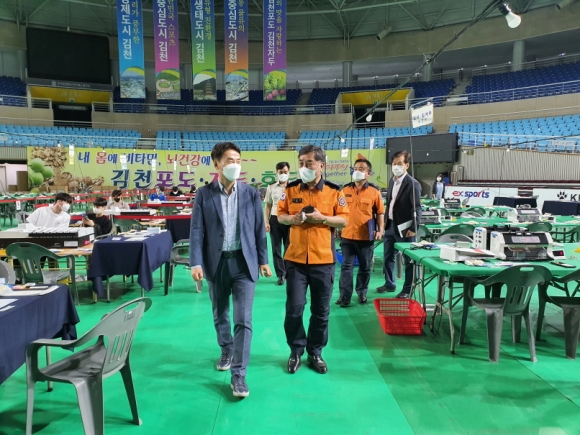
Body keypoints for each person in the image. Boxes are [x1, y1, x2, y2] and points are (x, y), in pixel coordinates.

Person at [190, 142, 272, 398]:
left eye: (237, 160)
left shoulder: (250, 194)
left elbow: (258, 229)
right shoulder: (204, 194)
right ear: (217, 164)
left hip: (243, 263)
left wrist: (263, 260)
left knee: (243, 319)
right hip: (216, 263)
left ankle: (239, 374)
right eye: (229, 160)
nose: (234, 164)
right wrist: (195, 262)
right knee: (220, 313)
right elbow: (196, 231)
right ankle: (226, 348)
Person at [277, 145, 349, 375]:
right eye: (301, 163)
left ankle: (315, 352)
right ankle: (296, 350)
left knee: (321, 310)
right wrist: (292, 219)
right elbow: (280, 215)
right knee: (294, 308)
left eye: (309, 163)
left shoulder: (334, 191)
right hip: (296, 260)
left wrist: (323, 218)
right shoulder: (290, 190)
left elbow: (344, 220)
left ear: (321, 165)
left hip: (323, 260)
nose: (304, 167)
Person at [337, 159, 385, 307]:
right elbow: (337, 211)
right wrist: (336, 227)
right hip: (347, 236)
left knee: (365, 267)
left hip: (366, 237)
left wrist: (380, 230)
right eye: (356, 168)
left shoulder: (374, 192)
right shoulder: (344, 190)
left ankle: (362, 292)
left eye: (361, 168)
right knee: (346, 267)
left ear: (368, 173)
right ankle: (344, 296)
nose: (357, 171)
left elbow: (380, 213)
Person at [376, 150, 422, 299]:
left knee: (409, 260)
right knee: (388, 257)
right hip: (390, 225)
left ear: (407, 165)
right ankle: (389, 283)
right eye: (394, 163)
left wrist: (414, 228)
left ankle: (408, 289)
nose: (396, 166)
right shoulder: (391, 181)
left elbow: (417, 208)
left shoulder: (413, 184)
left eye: (400, 163)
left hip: (406, 228)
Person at [264, 162, 291, 286]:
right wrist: (266, 222)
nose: (283, 174)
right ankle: (281, 275)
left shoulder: (294, 187)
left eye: (285, 172)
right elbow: (268, 206)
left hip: (289, 220)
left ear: (289, 172)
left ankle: (289, 272)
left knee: (289, 248)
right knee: (276, 249)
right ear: (277, 173)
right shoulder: (271, 187)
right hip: (275, 220)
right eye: (281, 172)